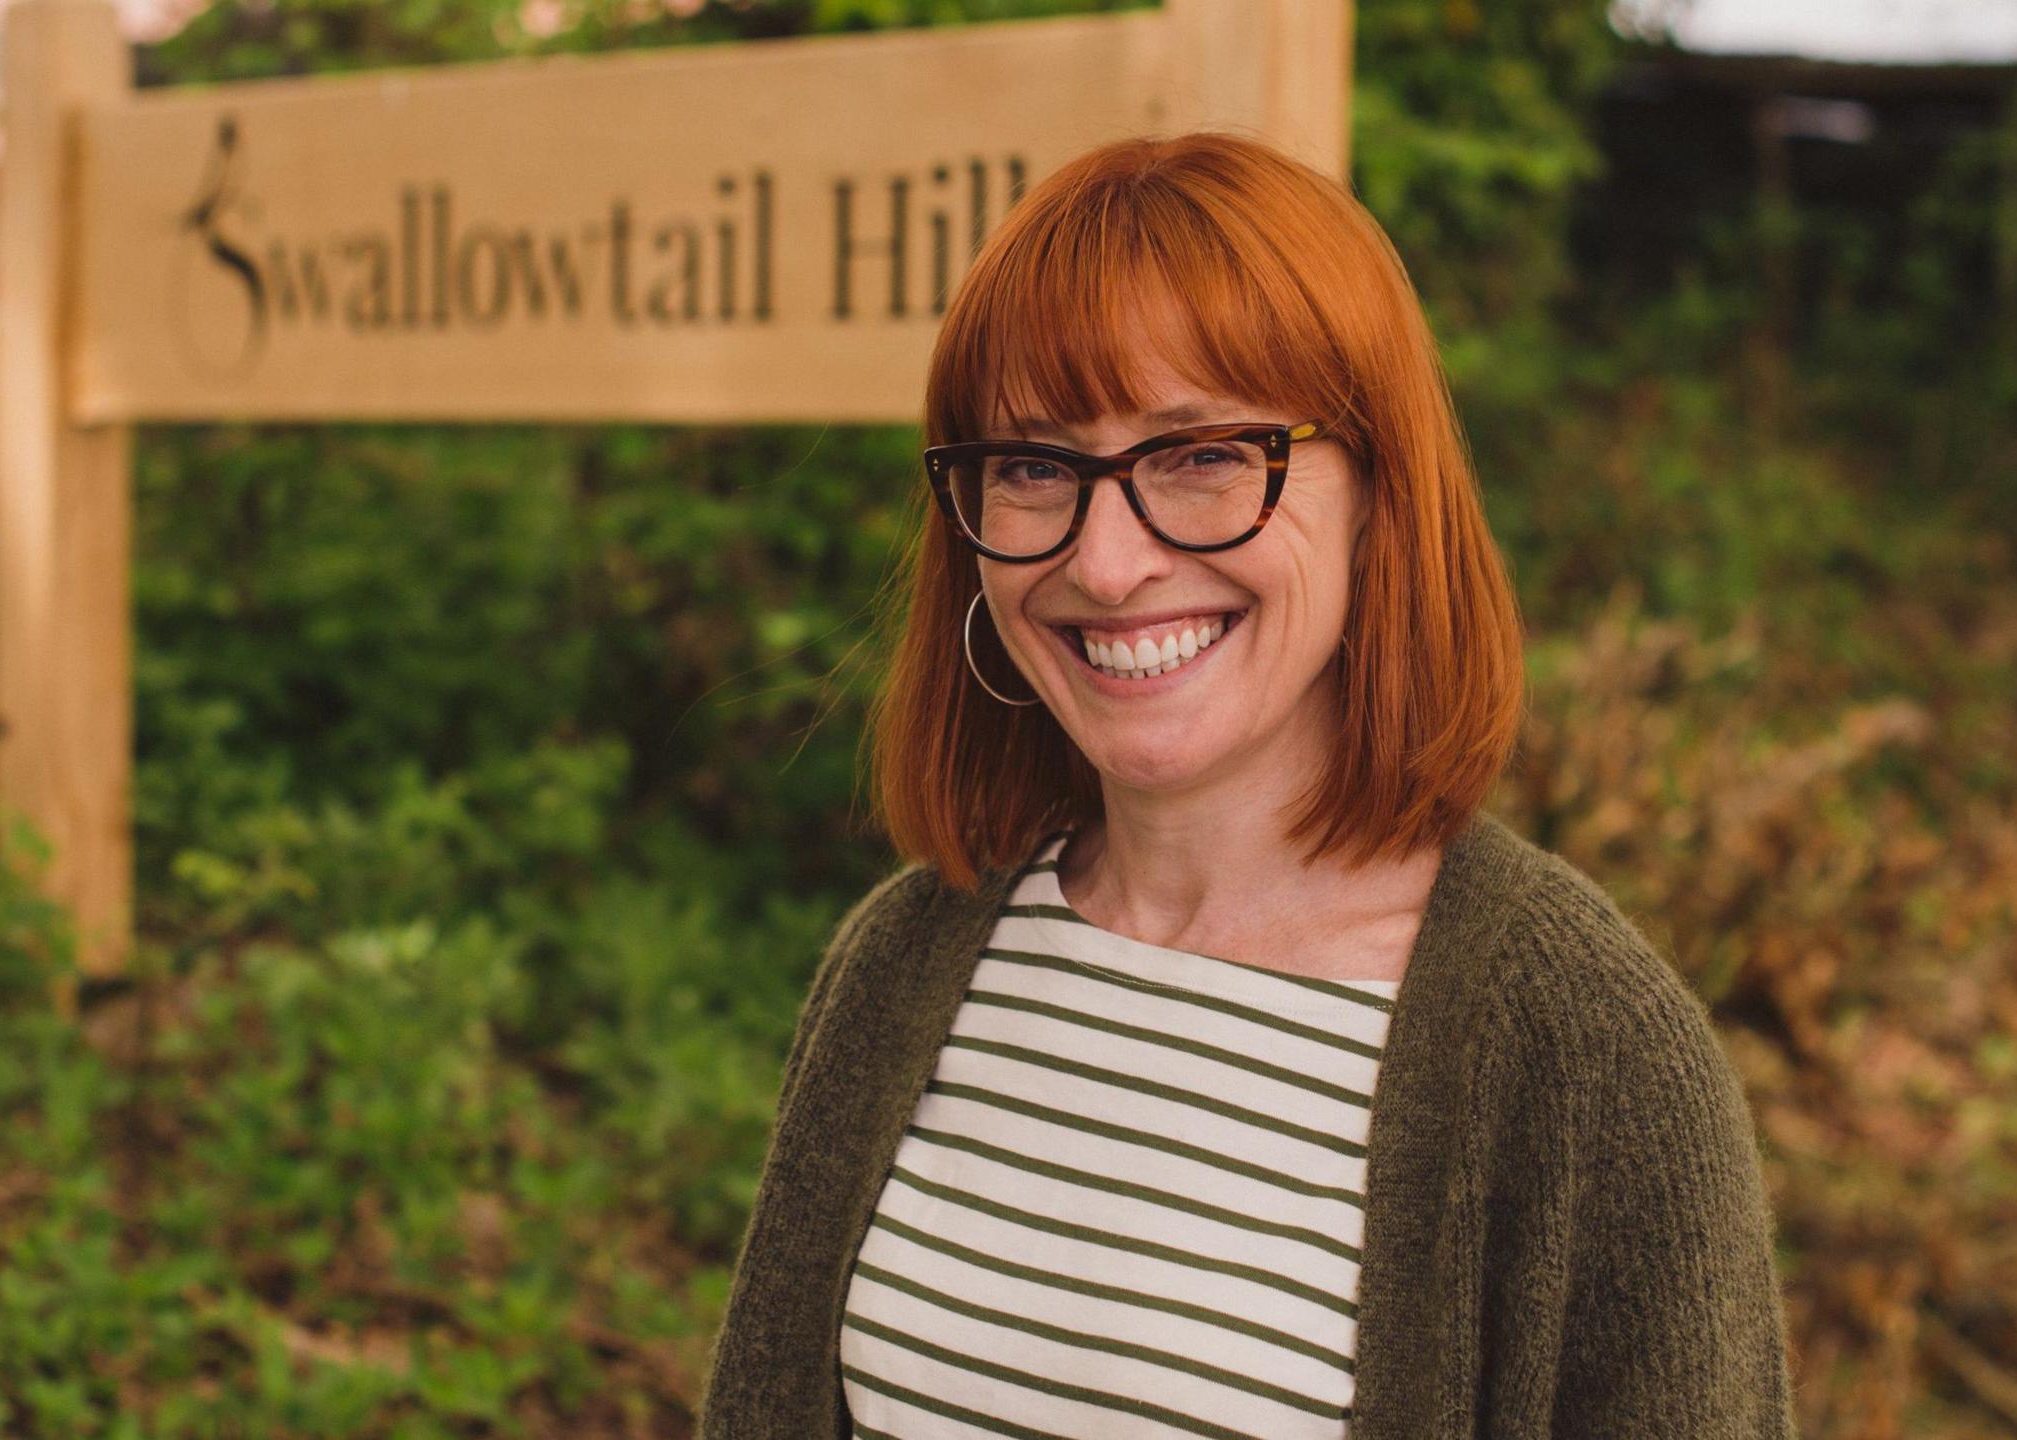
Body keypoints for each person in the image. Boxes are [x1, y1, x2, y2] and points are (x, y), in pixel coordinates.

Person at [695, 131, 1796, 1438]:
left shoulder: (1591, 1064)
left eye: (1204, 454)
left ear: (1381, 492)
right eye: (1037, 465)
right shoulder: (907, 961)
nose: (1107, 565)